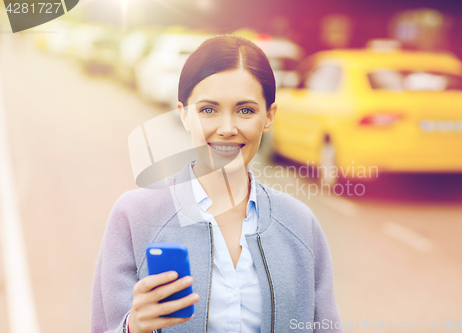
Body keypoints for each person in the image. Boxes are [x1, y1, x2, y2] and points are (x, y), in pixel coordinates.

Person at [91, 34, 343, 333]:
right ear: (184, 115)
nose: (227, 128)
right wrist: (132, 327)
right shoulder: (134, 216)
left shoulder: (300, 223)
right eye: (208, 110)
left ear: (269, 116)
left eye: (245, 110)